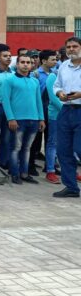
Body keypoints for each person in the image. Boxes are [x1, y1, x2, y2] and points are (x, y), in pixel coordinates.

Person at [2, 53, 45, 185]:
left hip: (33, 119)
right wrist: (11, 118)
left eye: (28, 62)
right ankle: (14, 174)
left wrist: (41, 118)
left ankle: (24, 173)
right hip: (17, 120)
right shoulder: (9, 80)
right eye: (23, 62)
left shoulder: (34, 81)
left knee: (27, 148)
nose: (26, 65)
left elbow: (38, 101)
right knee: (15, 147)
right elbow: (5, 100)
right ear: (17, 64)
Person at [51, 36, 81, 198]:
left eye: (75, 46)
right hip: (66, 110)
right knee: (63, 150)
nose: (71, 49)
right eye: (68, 47)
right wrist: (60, 93)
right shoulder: (64, 65)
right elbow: (56, 86)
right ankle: (71, 187)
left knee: (79, 149)